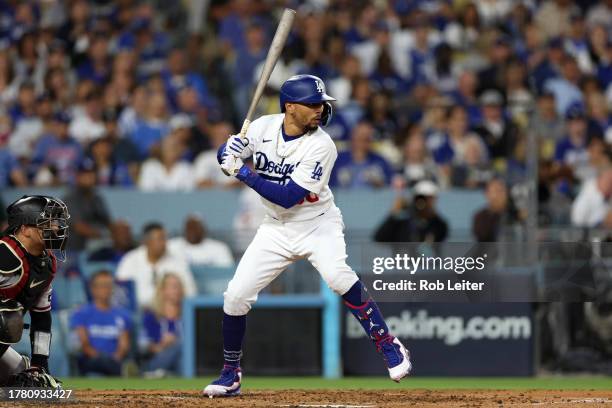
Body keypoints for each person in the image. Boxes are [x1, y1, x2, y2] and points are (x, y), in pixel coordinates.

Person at [204, 75, 411, 398]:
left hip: (317, 224)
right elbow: (228, 153)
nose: (320, 110)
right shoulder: (261, 127)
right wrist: (226, 151)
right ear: (290, 107)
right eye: (313, 104)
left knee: (338, 276)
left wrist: (241, 171)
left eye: (321, 104)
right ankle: (231, 373)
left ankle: (386, 342)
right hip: (275, 228)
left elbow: (289, 196)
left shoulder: (322, 145)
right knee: (235, 296)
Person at [0, 195, 69, 388]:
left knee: (29, 379)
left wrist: (40, 365)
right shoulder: (5, 254)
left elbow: (41, 319)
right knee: (7, 315)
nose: (56, 228)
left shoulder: (45, 264)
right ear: (24, 229)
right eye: (47, 223)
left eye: (56, 222)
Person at [116, 222, 196, 307]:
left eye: (165, 239)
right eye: (160, 239)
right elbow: (120, 291)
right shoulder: (130, 260)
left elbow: (191, 292)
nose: (164, 243)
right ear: (147, 241)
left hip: (169, 312)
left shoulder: (177, 261)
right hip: (137, 313)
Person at [70, 270, 132, 376]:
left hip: (115, 359)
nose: (107, 289)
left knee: (113, 362)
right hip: (91, 359)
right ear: (93, 289)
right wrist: (102, 358)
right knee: (101, 362)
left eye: (109, 285)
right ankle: (122, 371)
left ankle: (117, 368)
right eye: (102, 285)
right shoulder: (82, 313)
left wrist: (114, 358)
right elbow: (84, 344)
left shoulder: (122, 315)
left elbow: (124, 346)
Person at [373, 180, 449, 243]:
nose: (427, 202)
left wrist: (431, 214)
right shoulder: (401, 222)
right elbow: (379, 238)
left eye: (431, 199)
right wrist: (393, 213)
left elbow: (442, 233)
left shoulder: (436, 224)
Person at [62, 158, 112, 251]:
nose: (89, 177)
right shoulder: (70, 198)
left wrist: (116, 232)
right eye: (85, 174)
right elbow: (79, 227)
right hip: (73, 250)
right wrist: (104, 236)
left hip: (95, 246)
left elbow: (107, 222)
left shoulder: (97, 198)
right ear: (77, 177)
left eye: (91, 173)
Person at [140, 273, 184, 377]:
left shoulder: (187, 314)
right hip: (158, 359)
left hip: (183, 360)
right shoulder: (151, 315)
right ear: (163, 290)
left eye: (179, 287)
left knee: (182, 349)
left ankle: (166, 374)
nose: (177, 290)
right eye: (173, 287)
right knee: (180, 346)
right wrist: (161, 345)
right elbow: (142, 345)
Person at [168, 214, 234, 266]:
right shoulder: (171, 246)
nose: (192, 231)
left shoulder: (219, 248)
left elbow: (225, 273)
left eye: (196, 228)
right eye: (189, 228)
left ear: (203, 230)